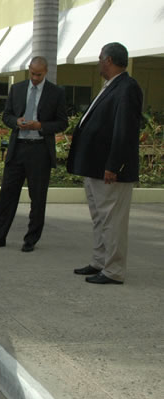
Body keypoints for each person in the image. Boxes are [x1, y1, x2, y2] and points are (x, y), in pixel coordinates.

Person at [67, 42, 143, 285]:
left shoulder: (127, 88)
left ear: (109, 60)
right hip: (95, 168)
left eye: (100, 58)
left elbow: (125, 131)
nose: (98, 63)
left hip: (110, 170)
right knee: (100, 219)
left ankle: (113, 270)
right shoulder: (111, 86)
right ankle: (100, 261)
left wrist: (114, 165)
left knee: (112, 222)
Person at [0, 56, 67, 252]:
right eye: (32, 73)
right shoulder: (17, 89)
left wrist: (41, 126)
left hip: (40, 150)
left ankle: (31, 240)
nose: (35, 78)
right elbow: (6, 115)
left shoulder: (56, 93)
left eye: (39, 75)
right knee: (7, 194)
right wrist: (16, 122)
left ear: (46, 72)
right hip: (17, 147)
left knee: (38, 197)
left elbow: (62, 122)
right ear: (29, 69)